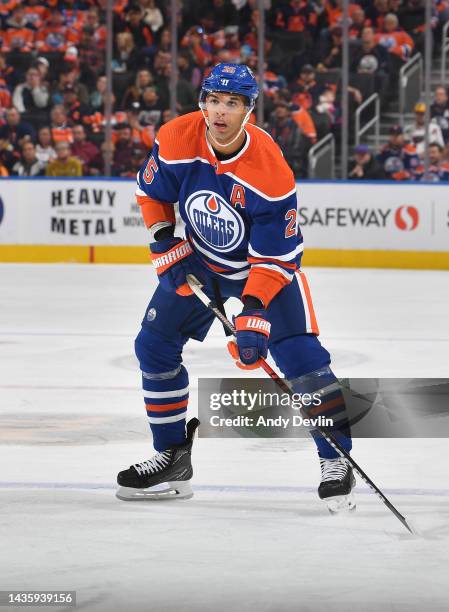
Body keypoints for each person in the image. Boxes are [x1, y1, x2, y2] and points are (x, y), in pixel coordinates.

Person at [117, 63, 355, 512]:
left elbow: (278, 256)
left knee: (303, 360)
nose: (220, 111)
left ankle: (335, 458)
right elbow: (151, 192)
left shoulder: (270, 172)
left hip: (262, 271)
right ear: (201, 102)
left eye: (233, 103)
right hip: (202, 261)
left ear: (249, 110)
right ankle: (172, 455)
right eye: (213, 100)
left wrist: (253, 308)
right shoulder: (175, 137)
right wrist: (165, 239)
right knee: (153, 346)